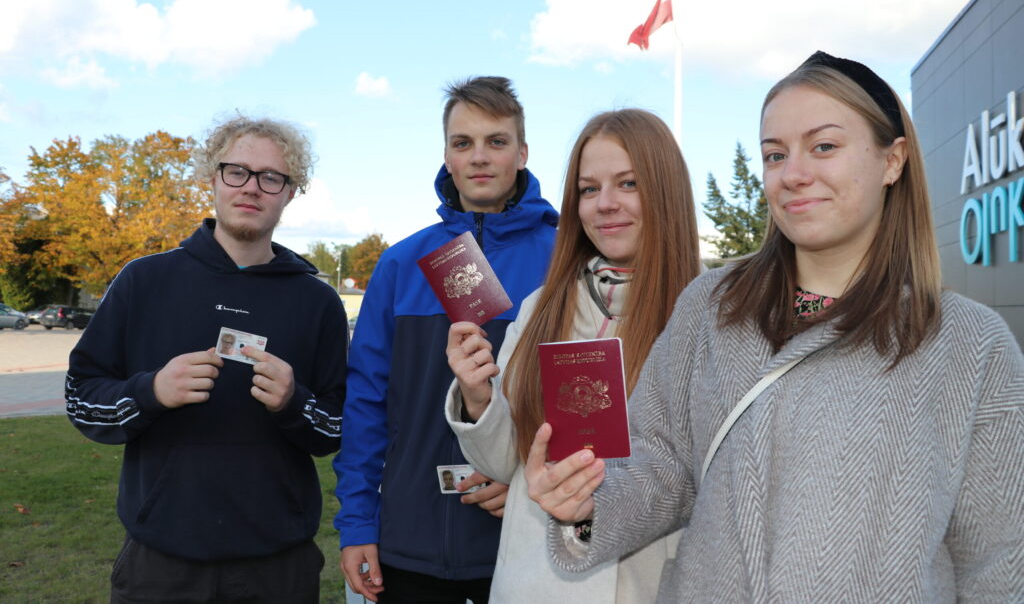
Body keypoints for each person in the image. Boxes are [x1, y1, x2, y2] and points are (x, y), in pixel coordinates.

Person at [526, 52, 1024, 601]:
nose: (793, 174)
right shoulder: (710, 307)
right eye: (774, 154)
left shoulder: (969, 344)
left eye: (824, 146)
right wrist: (589, 506)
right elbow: (660, 465)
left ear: (893, 160)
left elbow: (1000, 561)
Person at [65, 116, 348, 603]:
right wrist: (150, 392)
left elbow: (339, 427)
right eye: (236, 170)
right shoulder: (144, 282)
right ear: (213, 178)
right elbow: (81, 399)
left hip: (278, 568)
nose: (252, 188)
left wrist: (294, 404)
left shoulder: (317, 302)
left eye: (271, 177)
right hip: (161, 565)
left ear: (290, 193)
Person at [444, 109, 703, 602]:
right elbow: (504, 464)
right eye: (588, 189)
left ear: (665, 190)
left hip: (645, 587)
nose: (605, 205)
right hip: (529, 585)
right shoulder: (542, 306)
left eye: (628, 183)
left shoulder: (705, 315)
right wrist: (479, 399)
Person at [334, 76, 559, 603]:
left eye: (496, 141)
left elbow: (588, 398)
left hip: (524, 541)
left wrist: (529, 478)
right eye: (464, 143)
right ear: (446, 156)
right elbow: (367, 404)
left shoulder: (565, 258)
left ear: (522, 153)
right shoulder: (400, 264)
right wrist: (358, 524)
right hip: (408, 544)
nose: (479, 157)